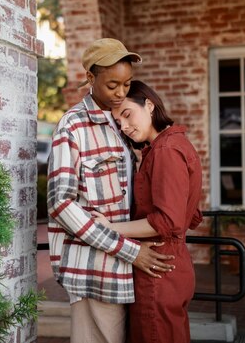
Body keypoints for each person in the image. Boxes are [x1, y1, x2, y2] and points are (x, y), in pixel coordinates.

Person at [47, 39, 175, 343]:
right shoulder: (72, 127)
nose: (120, 93)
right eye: (112, 84)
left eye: (127, 84)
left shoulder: (121, 122)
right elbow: (60, 205)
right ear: (91, 79)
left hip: (128, 269)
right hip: (97, 270)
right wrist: (130, 251)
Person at [92, 80, 204, 343]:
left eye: (128, 115)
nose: (125, 127)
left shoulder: (166, 150)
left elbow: (168, 221)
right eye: (118, 122)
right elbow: (192, 214)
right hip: (171, 265)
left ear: (150, 105)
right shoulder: (173, 145)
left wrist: (109, 227)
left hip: (158, 267)